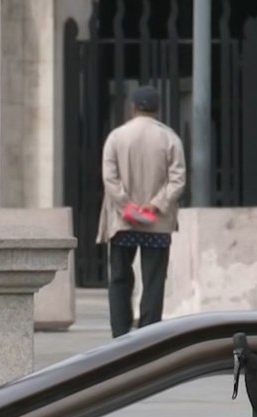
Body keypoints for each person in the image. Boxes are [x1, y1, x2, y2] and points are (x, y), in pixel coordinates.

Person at [96, 85, 188, 338]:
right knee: (154, 280)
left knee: (119, 278)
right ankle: (147, 336)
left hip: (122, 221)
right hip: (156, 223)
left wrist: (128, 206)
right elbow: (177, 180)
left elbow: (109, 179)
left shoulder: (116, 137)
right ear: (158, 109)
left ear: (133, 107)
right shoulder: (170, 139)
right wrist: (156, 204)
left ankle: (120, 333)